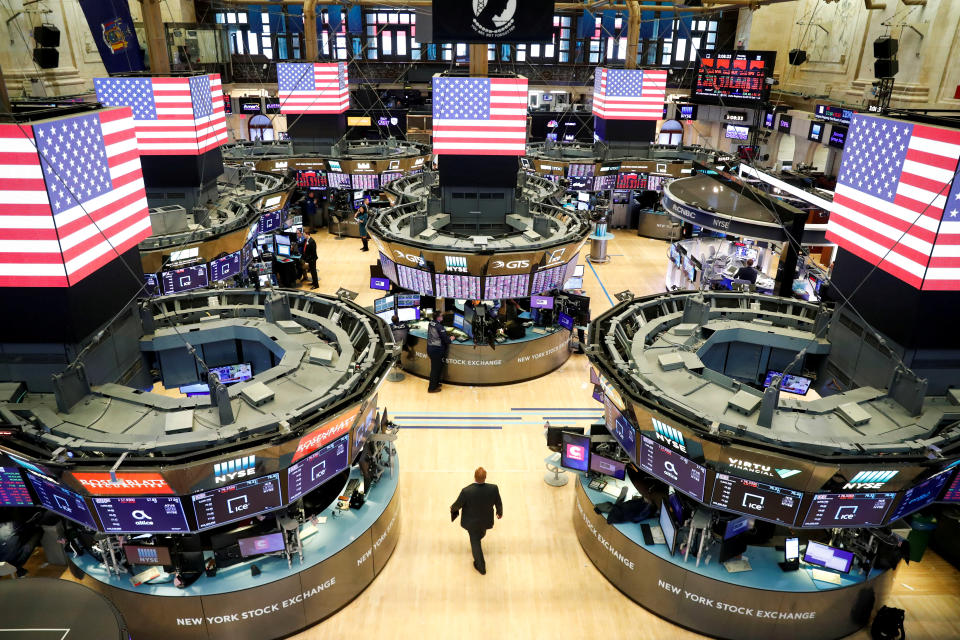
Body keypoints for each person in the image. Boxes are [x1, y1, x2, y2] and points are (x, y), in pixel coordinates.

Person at [450, 467, 503, 575]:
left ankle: (481, 567)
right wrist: (499, 512)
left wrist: (452, 508)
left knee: (475, 542)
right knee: (480, 534)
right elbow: (498, 502)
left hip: (471, 522)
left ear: (474, 477)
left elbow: (458, 504)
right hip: (485, 520)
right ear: (485, 477)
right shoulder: (493, 488)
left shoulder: (466, 491)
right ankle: (479, 537)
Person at [426, 311, 451, 393]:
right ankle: (432, 388)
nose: (442, 316)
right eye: (441, 315)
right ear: (438, 317)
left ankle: (436, 384)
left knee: (437, 368)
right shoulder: (440, 327)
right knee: (435, 370)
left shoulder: (431, 323)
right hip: (436, 350)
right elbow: (446, 340)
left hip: (430, 348)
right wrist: (451, 338)